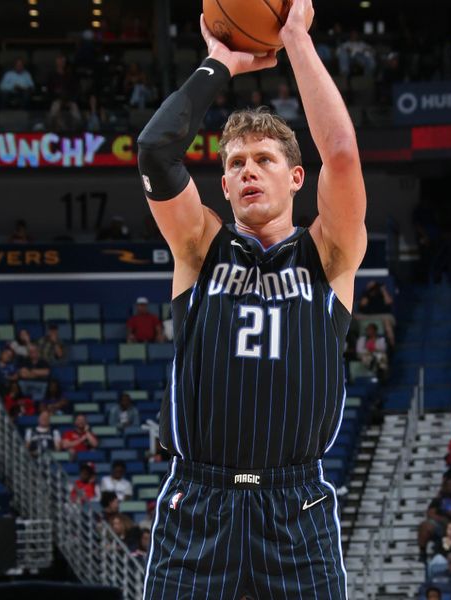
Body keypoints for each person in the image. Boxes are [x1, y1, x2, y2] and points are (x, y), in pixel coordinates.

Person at [137, 2, 367, 594]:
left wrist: (295, 40)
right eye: (236, 163)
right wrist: (219, 65)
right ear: (224, 183)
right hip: (199, 503)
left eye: (264, 160)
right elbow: (156, 151)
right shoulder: (199, 245)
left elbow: (340, 154)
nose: (248, 172)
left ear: (296, 178)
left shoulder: (329, 253)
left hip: (295, 508)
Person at [357, 280, 396, 347]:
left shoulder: (382, 294)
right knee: (354, 317)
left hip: (382, 315)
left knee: (387, 321)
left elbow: (389, 302)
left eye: (375, 287)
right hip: (368, 315)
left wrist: (383, 290)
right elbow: (362, 304)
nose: (374, 289)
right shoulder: (366, 294)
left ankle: (392, 343)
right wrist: (368, 291)